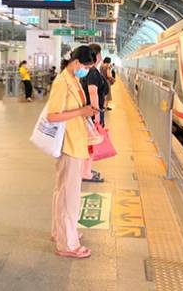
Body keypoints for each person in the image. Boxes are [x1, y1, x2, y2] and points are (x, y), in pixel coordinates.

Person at [47, 46, 97, 259]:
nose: (87, 70)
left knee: (63, 191)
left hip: (75, 142)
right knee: (69, 196)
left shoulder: (73, 79)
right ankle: (68, 244)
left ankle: (60, 232)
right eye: (86, 66)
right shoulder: (62, 82)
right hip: (68, 145)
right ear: (76, 62)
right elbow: (52, 116)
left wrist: (85, 112)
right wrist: (81, 111)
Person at [80, 44, 109, 183]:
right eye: (100, 54)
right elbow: (93, 93)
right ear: (96, 55)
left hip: (90, 111)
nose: (101, 57)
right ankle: (86, 173)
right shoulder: (92, 72)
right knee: (91, 143)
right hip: (92, 112)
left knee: (89, 142)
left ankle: (86, 170)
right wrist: (96, 114)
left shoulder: (88, 71)